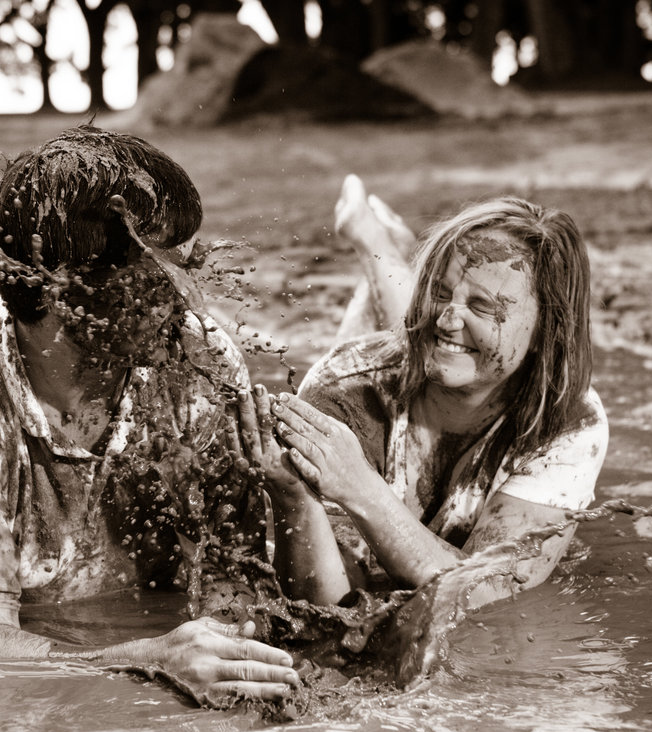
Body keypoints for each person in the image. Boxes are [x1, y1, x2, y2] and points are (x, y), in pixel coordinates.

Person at [0, 126, 298, 704]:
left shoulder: (197, 354)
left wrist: (230, 654)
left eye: (187, 265)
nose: (187, 297)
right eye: (155, 274)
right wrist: (146, 659)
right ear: (56, 288)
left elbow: (236, 576)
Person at [243, 177, 608, 610]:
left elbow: (492, 590)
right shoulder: (345, 387)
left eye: (483, 306)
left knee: (436, 340)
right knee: (410, 342)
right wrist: (294, 498)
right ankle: (380, 245)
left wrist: (360, 486)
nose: (449, 317)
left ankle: (373, 239)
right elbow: (329, 609)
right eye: (436, 291)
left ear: (546, 331)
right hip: (378, 376)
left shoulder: (567, 417)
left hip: (410, 381)